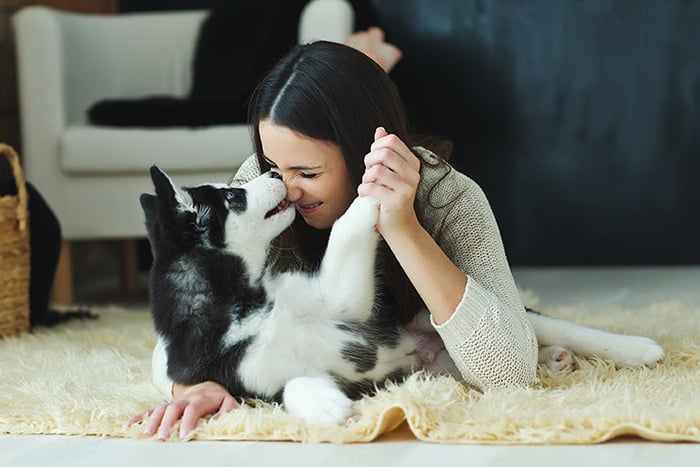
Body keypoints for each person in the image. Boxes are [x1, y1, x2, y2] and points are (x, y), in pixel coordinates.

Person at [134, 31, 538, 441]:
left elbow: (510, 371)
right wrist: (197, 385)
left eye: (308, 174)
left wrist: (401, 226)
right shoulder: (262, 190)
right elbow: (181, 334)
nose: (286, 188)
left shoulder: (448, 198)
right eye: (272, 163)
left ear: (363, 152)